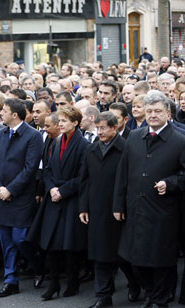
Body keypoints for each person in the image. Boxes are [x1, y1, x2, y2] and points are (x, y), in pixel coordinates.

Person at [113, 90, 185, 307]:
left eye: (158, 111)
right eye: (149, 110)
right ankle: (153, 293)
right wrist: (118, 204)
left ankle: (159, 300)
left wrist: (170, 183)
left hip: (164, 210)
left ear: (168, 114)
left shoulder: (180, 141)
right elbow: (122, 173)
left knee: (161, 260)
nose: (152, 115)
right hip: (135, 207)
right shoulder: (135, 137)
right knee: (132, 259)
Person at [79, 112, 140, 308]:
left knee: (123, 256)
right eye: (97, 128)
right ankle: (103, 296)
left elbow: (132, 181)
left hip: (119, 209)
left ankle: (134, 283)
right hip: (97, 209)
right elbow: (84, 181)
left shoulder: (127, 149)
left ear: (115, 128)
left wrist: (121, 205)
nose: (100, 132)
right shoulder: (91, 149)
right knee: (100, 255)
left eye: (104, 128)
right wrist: (84, 207)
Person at [28, 105, 89, 300]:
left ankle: (72, 281)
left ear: (75, 123)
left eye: (64, 121)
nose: (60, 124)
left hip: (70, 199)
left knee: (69, 245)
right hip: (53, 197)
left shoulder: (83, 145)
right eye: (59, 121)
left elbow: (83, 176)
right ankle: (53, 283)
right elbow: (47, 169)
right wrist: (51, 188)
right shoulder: (55, 143)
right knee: (50, 244)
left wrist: (62, 191)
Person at [0, 99, 44, 297]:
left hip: (20, 197)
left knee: (21, 239)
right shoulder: (0, 134)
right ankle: (11, 280)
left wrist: (11, 189)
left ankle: (38, 266)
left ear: (15, 115)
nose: (0, 114)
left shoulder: (33, 136)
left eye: (4, 111)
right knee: (6, 242)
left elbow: (30, 169)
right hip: (1, 197)